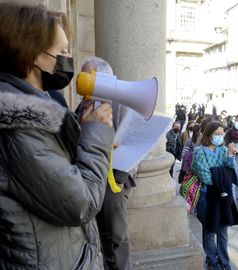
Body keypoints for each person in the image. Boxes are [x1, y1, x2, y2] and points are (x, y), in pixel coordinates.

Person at [0, 3, 113, 268]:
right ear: (30, 55)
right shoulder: (19, 128)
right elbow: (81, 202)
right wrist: (95, 138)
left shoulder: (43, 102)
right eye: (60, 51)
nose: (67, 57)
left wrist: (86, 130)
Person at [81, 57, 137, 270]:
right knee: (101, 232)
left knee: (116, 235)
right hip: (93, 174)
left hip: (115, 178)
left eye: (87, 75)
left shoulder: (121, 104)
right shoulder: (85, 103)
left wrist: (120, 178)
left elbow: (131, 141)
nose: (82, 80)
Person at [191, 121, 238, 270]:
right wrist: (222, 176)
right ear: (208, 134)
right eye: (216, 133)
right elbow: (205, 176)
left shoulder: (224, 150)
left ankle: (225, 261)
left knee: (223, 231)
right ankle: (213, 259)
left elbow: (231, 172)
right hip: (206, 196)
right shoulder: (200, 151)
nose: (220, 136)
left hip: (222, 196)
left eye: (221, 133)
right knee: (209, 230)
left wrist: (230, 157)